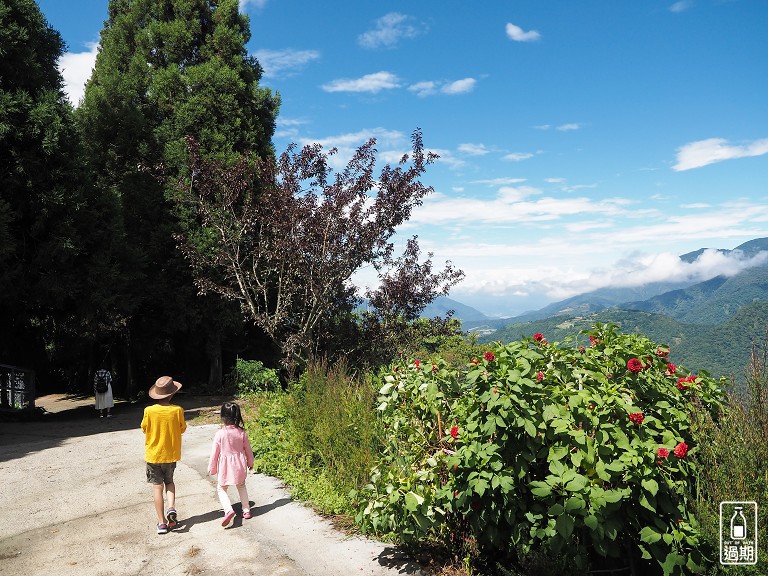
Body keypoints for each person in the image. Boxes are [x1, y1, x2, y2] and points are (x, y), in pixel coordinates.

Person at [141, 376, 186, 535]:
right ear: (172, 394)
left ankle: (161, 523)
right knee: (170, 482)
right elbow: (182, 429)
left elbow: (144, 429)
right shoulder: (177, 410)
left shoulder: (149, 411)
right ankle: (171, 507)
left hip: (153, 456)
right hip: (170, 455)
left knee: (157, 488)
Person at [208, 402, 255, 527]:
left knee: (221, 488)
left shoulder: (220, 434)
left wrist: (212, 468)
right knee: (241, 486)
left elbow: (214, 454)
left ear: (222, 417)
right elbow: (248, 450)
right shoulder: (241, 432)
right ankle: (246, 510)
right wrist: (250, 462)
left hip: (225, 467)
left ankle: (228, 510)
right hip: (240, 465)